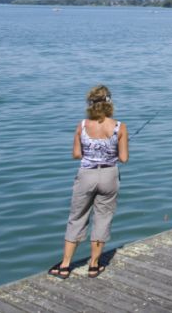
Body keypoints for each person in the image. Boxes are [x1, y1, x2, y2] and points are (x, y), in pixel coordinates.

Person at [48, 85, 128, 279]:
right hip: (109, 175)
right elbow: (124, 158)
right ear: (109, 102)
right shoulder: (119, 127)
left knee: (77, 218)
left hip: (86, 175)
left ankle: (65, 265)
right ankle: (93, 265)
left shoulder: (82, 125)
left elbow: (76, 154)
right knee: (103, 217)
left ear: (90, 103)